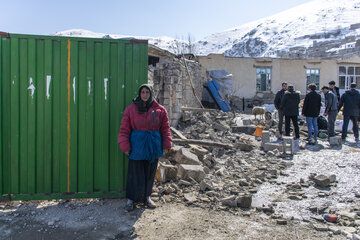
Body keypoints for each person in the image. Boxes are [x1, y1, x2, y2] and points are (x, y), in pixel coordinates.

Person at [118, 84, 172, 211]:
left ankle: (147, 197)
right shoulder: (131, 109)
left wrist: (166, 145)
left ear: (151, 93)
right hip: (137, 147)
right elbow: (124, 129)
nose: (145, 94)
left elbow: (165, 129)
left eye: (147, 92)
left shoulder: (160, 110)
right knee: (135, 174)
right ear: (139, 94)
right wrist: (125, 145)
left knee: (150, 173)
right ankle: (131, 200)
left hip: (152, 146)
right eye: (142, 92)